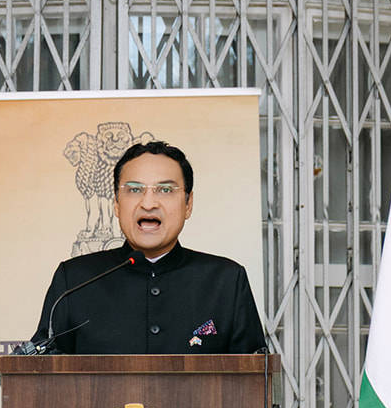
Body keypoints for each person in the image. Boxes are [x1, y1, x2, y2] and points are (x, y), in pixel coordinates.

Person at [28, 140, 265, 355]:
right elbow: (41, 375)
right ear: (117, 204)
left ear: (188, 204)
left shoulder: (226, 280)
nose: (149, 203)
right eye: (134, 190)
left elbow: (255, 380)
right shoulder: (75, 281)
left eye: (165, 190)